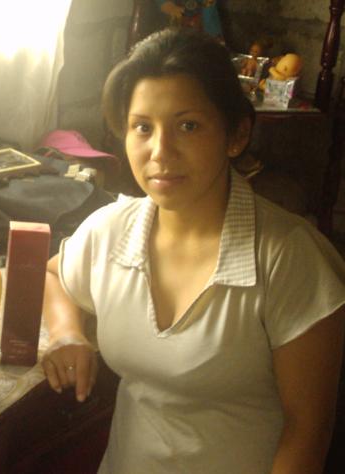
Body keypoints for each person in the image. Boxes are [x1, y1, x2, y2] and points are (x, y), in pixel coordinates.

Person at [41, 28, 345, 474]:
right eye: (142, 127)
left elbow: (307, 433)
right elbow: (54, 275)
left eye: (188, 125)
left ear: (236, 134)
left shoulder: (288, 258)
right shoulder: (111, 230)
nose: (160, 151)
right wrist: (68, 333)